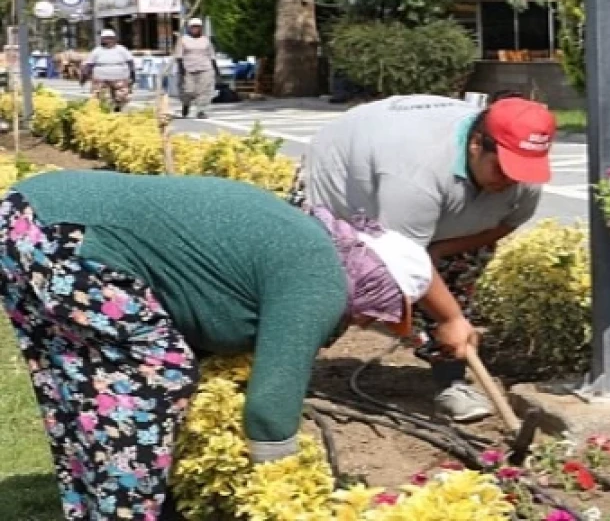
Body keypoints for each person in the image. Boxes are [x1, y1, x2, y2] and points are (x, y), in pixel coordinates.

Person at [0, 169, 457, 520]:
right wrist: (284, 490)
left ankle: (102, 507)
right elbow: (270, 405)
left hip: (32, 218)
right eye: (378, 311)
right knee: (159, 374)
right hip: (67, 236)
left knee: (87, 386)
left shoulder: (310, 247)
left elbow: (202, 309)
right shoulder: (321, 279)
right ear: (377, 286)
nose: (365, 321)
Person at [291, 93, 555, 422]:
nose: (511, 181)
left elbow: (507, 222)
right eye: (502, 169)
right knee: (338, 286)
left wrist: (440, 252)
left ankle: (451, 383)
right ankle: (279, 368)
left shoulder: (520, 170)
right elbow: (399, 256)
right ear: (476, 145)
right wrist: (449, 319)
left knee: (456, 278)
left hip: (422, 209)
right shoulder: (415, 171)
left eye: (520, 172)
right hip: (344, 188)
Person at [174, 17, 219, 119]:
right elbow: (179, 56)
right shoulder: (183, 40)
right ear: (189, 28)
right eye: (193, 27)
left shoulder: (205, 40)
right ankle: (186, 104)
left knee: (204, 91)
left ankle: (201, 111)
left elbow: (212, 55)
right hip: (188, 69)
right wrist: (181, 69)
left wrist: (216, 69)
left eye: (197, 27)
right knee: (188, 91)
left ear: (201, 28)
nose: (195, 29)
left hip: (205, 68)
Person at [80, 29, 135, 112]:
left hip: (120, 78)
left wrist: (133, 75)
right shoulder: (97, 51)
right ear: (102, 39)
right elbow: (89, 64)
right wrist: (84, 77)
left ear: (114, 39)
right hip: (101, 79)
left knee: (122, 97)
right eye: (105, 38)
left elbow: (130, 62)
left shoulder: (122, 49)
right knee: (102, 98)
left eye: (110, 38)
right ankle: (105, 113)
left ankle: (118, 109)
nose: (108, 40)